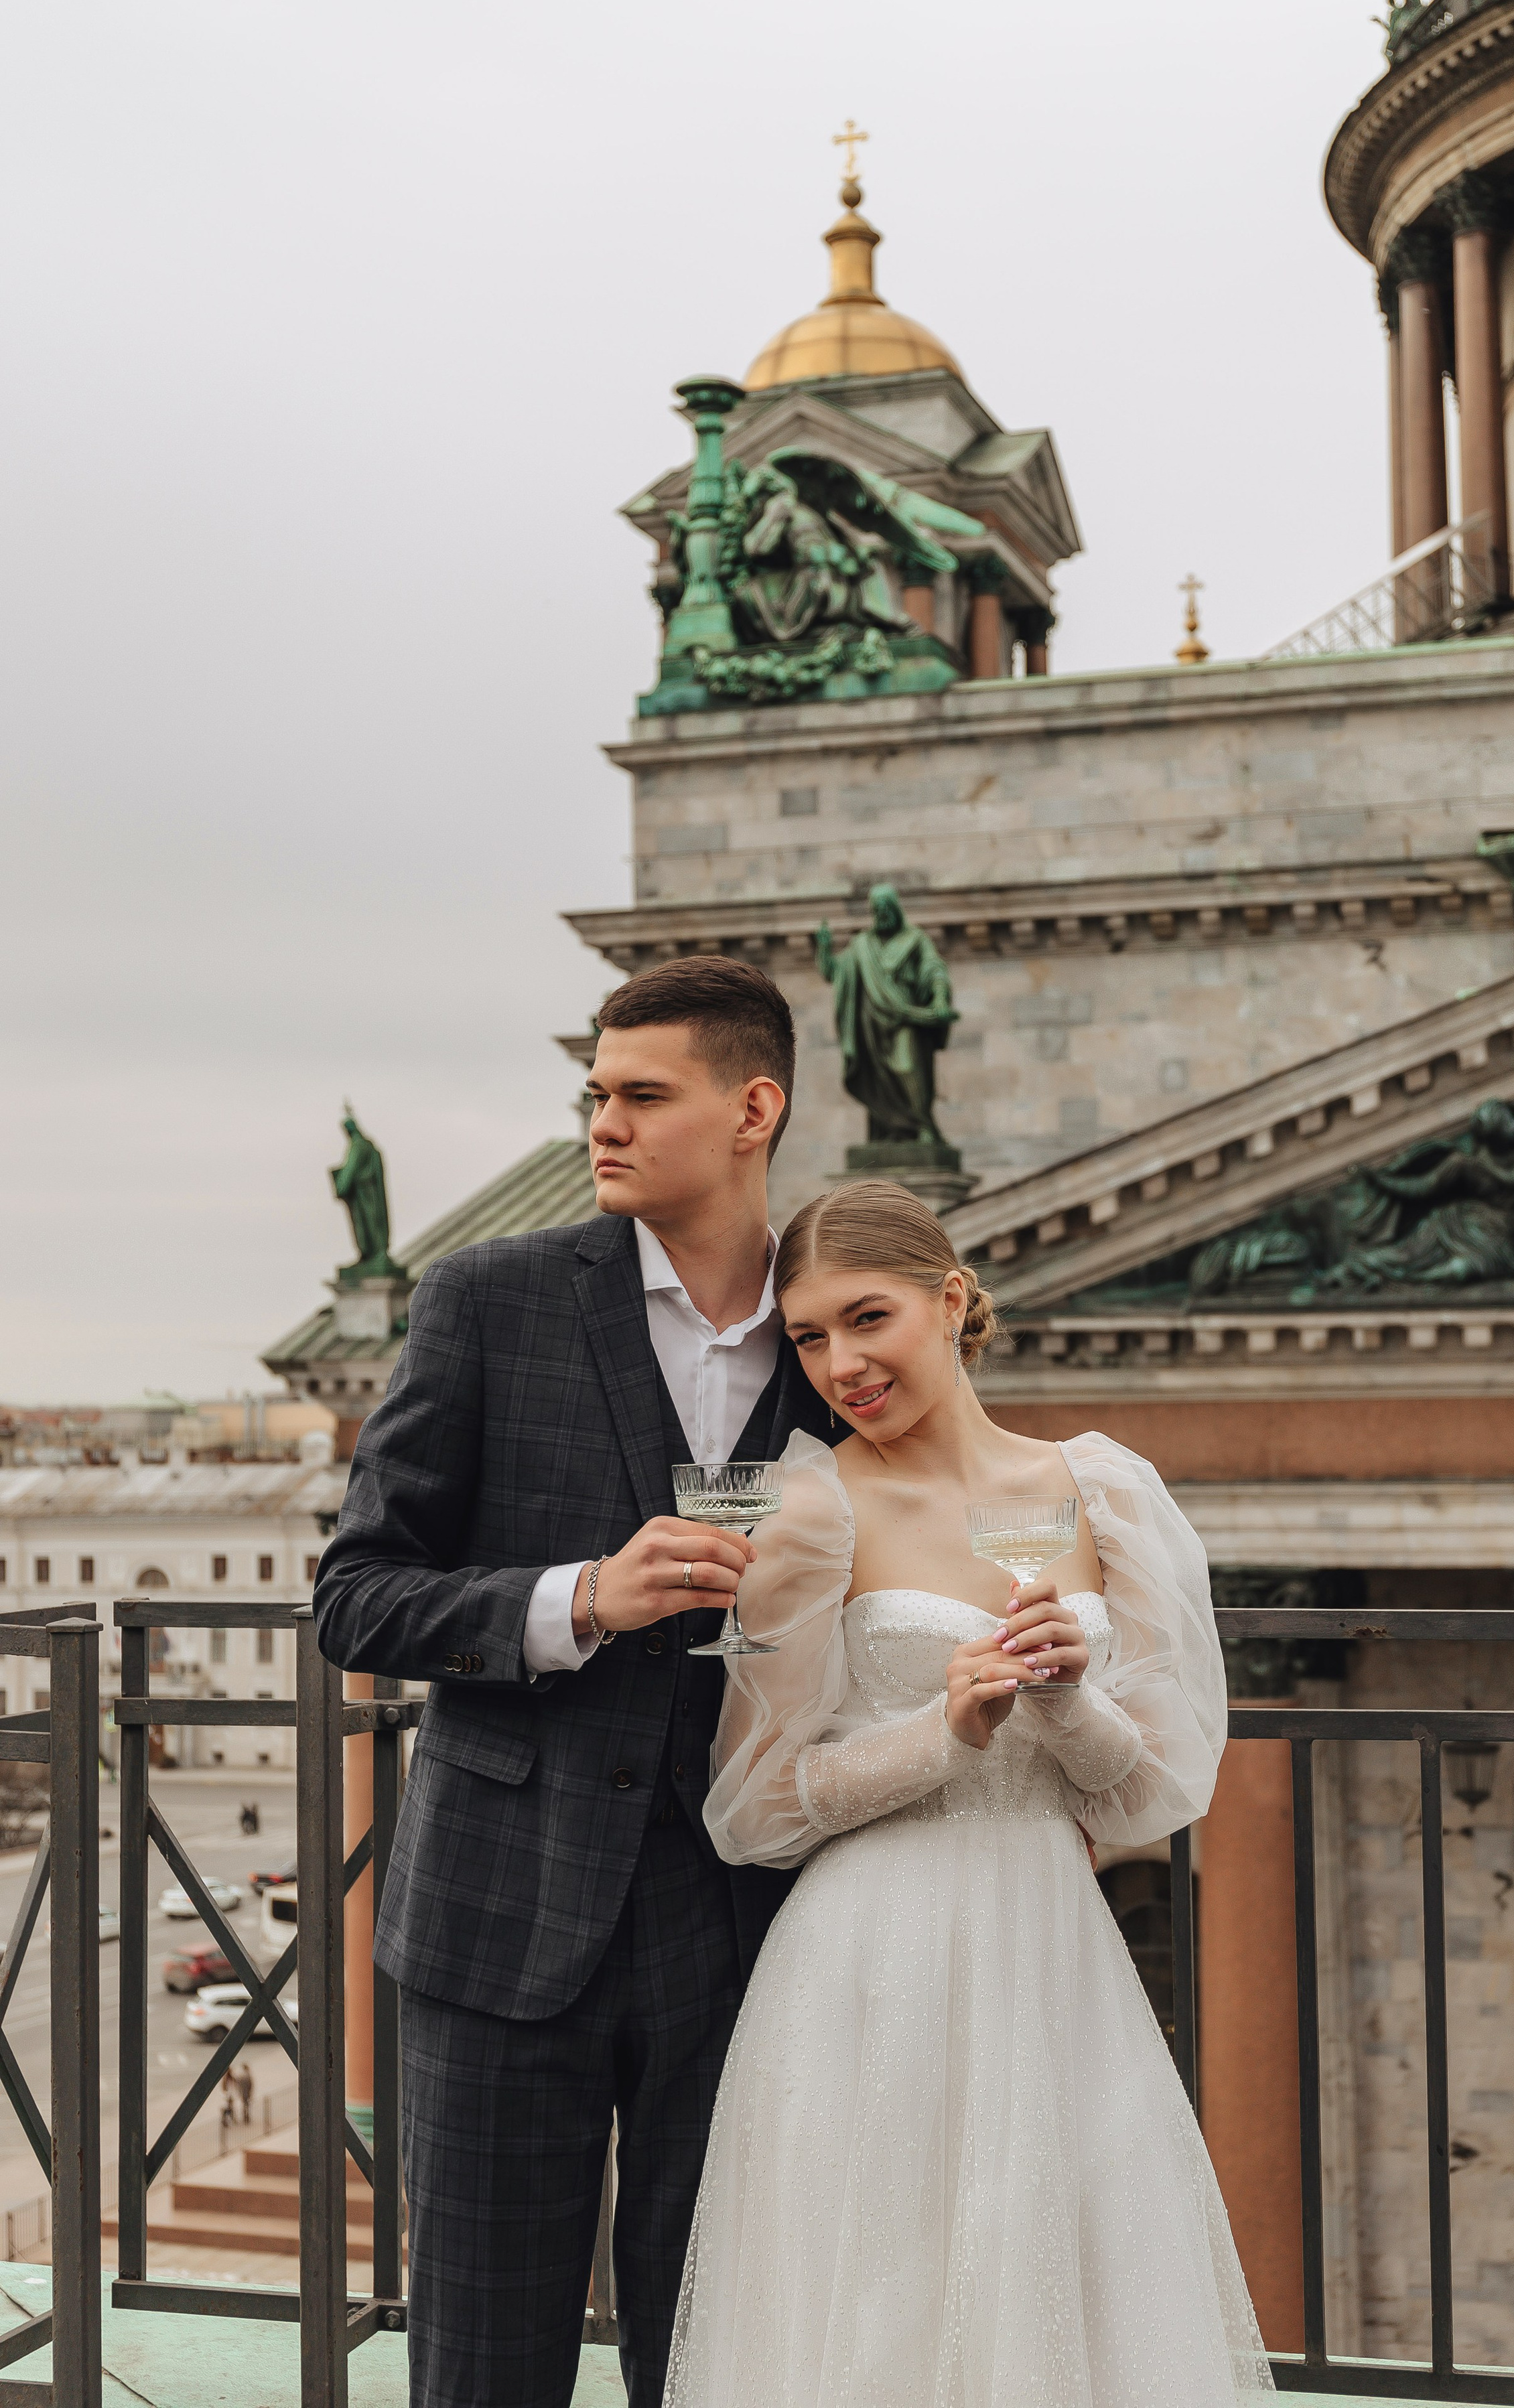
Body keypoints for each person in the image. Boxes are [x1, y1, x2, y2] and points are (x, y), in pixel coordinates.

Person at [313, 959, 843, 2408]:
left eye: (642, 1096)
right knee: (484, 2372)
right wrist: (579, 1601)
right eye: (595, 1095)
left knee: (722, 2365)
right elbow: (355, 1596)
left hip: (749, 1929)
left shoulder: (838, 1330)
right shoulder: (488, 1298)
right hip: (500, 1919)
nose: (604, 1124)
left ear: (753, 1109)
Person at [664, 1178, 1270, 2408]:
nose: (841, 1364)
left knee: (1069, 2295)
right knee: (878, 2310)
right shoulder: (809, 1506)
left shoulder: (1100, 1491)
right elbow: (758, 1807)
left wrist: (1068, 1698)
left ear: (950, 1301)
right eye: (809, 1338)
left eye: (867, 1319)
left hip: (1054, 1953)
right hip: (872, 1961)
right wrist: (941, 1735)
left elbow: (1143, 1794)